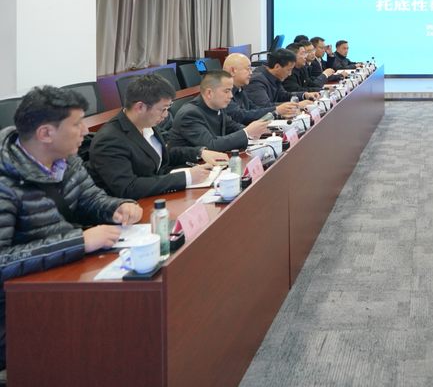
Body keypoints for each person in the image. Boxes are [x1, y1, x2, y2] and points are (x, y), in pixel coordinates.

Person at [0, 86, 143, 370]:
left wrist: (117, 207)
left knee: (136, 309)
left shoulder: (67, 159)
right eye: (77, 124)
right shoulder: (5, 183)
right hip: (17, 307)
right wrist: (79, 242)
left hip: (62, 278)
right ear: (45, 134)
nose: (85, 131)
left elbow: (90, 198)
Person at [88, 75, 229, 199]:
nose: (166, 115)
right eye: (163, 109)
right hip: (134, 207)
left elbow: (163, 155)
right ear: (140, 107)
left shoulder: (146, 123)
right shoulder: (109, 140)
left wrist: (200, 152)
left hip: (159, 194)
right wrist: (186, 177)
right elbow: (128, 188)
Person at [167, 71, 270, 152]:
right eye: (226, 91)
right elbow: (211, 145)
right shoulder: (189, 114)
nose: (231, 96)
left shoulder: (217, 106)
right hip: (188, 166)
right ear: (209, 93)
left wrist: (256, 131)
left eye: (231, 90)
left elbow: (232, 126)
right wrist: (247, 132)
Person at [222, 53, 303, 125]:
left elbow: (254, 108)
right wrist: (277, 110)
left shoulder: (239, 89)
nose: (251, 73)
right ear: (233, 71)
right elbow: (241, 116)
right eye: (248, 69)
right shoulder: (223, 92)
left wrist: (278, 113)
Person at [245, 49, 317, 107]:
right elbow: (264, 106)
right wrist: (296, 105)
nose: (290, 74)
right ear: (277, 67)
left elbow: (282, 95)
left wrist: (304, 95)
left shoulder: (274, 76)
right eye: (288, 70)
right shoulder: (256, 81)